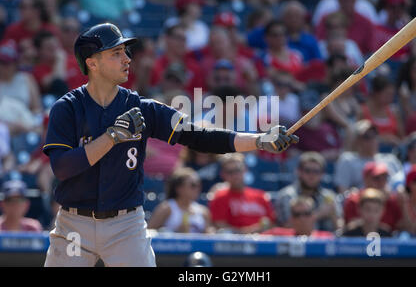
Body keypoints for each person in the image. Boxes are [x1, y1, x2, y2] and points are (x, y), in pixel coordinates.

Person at [42, 23, 298, 267]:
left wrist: (259, 140)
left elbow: (198, 135)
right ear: (92, 62)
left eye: (126, 52)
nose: (127, 59)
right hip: (75, 224)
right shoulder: (68, 108)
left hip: (125, 225)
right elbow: (62, 168)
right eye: (116, 53)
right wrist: (111, 137)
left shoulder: (141, 107)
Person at [208, 153, 276, 234]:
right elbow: (221, 228)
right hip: (233, 244)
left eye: (237, 170)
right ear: (223, 174)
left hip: (261, 242)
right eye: (230, 172)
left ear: (245, 170)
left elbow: (271, 224)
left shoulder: (261, 196)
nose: (235, 175)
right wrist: (251, 231)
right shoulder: (219, 197)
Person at [275, 151, 341, 231]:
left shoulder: (329, 197)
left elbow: (340, 230)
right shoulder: (286, 196)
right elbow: (285, 228)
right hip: (294, 242)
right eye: (307, 170)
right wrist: (318, 214)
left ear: (322, 174)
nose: (312, 175)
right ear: (299, 171)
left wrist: (333, 216)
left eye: (316, 171)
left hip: (325, 243)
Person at [333, 119, 403, 193]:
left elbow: (402, 186)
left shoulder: (390, 159)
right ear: (357, 140)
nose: (372, 140)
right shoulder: (348, 160)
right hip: (363, 201)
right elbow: (343, 192)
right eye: (367, 137)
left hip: (390, 200)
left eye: (374, 135)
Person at [343, 161, 404, 233]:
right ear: (365, 179)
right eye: (376, 178)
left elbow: (402, 227)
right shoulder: (353, 201)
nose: (381, 182)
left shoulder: (393, 201)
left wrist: (404, 204)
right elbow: (351, 229)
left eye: (385, 178)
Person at [147, 168, 213, 233]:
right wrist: (175, 232)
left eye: (199, 185)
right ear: (179, 188)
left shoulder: (203, 211)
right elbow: (149, 232)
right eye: (193, 185)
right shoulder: (166, 208)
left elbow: (208, 236)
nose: (197, 188)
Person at [359, 74, 404, 147]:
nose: (390, 98)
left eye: (392, 95)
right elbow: (360, 138)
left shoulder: (394, 112)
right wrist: (382, 139)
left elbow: (402, 138)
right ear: (376, 93)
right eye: (387, 95)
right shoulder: (362, 112)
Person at [261, 196, 334, 238]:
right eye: (297, 214)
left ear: (313, 216)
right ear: (291, 218)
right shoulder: (278, 235)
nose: (302, 218)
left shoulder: (326, 237)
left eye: (306, 214)